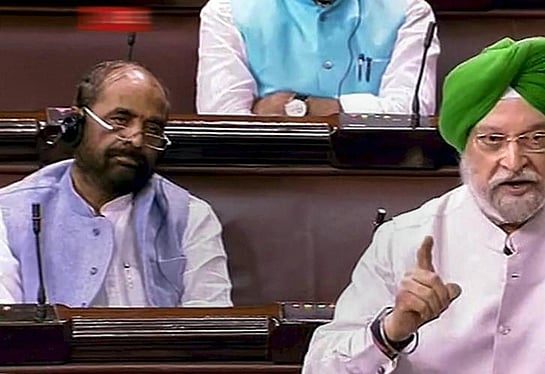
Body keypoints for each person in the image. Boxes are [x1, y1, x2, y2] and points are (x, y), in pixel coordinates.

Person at [303, 37, 545, 373]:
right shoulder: (401, 240)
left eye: (535, 139)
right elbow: (323, 367)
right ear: (463, 157)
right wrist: (391, 331)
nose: (514, 159)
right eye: (491, 140)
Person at [0, 61, 232, 308]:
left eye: (152, 128)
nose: (136, 138)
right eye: (120, 120)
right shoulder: (9, 212)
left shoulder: (191, 216)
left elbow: (210, 328)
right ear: (76, 123)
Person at [196, 0, 439, 117]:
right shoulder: (226, 11)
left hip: (376, 162)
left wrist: (301, 107)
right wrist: (365, 108)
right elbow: (221, 116)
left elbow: (413, 110)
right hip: (268, 162)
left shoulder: (409, 10)